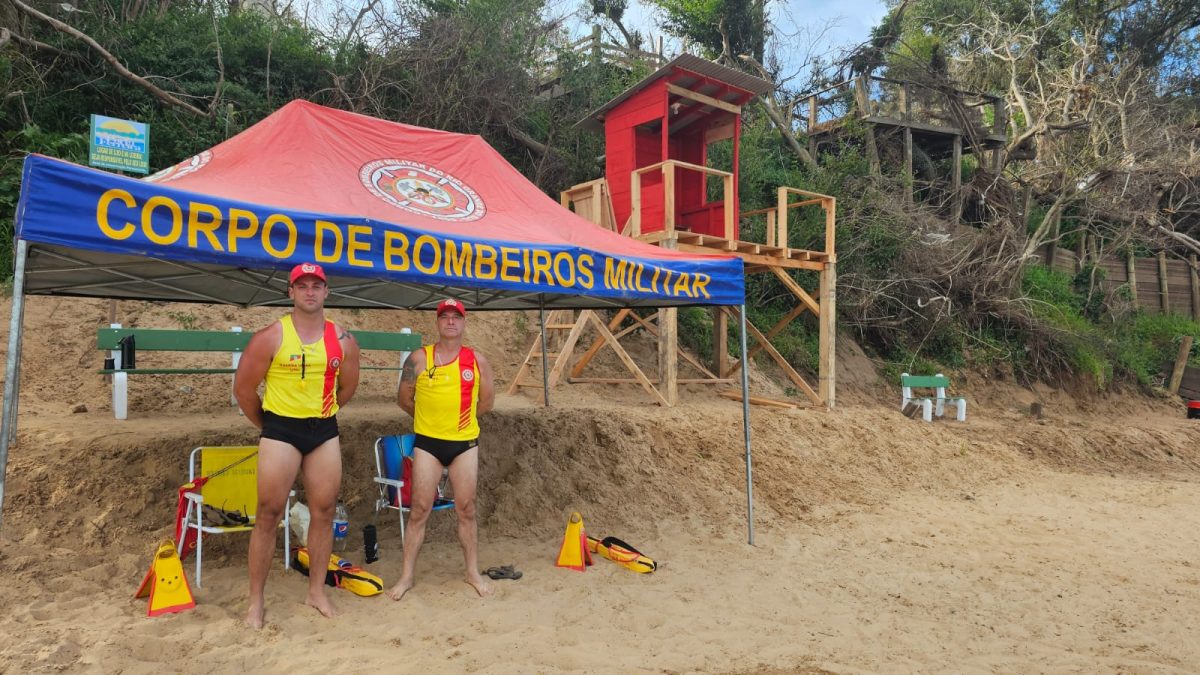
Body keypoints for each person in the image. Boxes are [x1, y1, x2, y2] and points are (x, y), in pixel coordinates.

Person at [234, 262, 360, 629]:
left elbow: (349, 387)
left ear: (326, 292)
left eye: (316, 286)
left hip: (323, 430)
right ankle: (255, 601)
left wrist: (322, 414)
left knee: (324, 511)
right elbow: (244, 391)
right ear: (290, 292)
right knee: (268, 514)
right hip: (280, 430)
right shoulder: (270, 337)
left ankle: (316, 591)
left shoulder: (344, 339)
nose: (309, 291)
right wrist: (270, 427)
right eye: (301, 285)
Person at [387, 297, 495, 601]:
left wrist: (458, 423)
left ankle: (472, 572)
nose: (450, 321)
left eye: (456, 317)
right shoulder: (418, 358)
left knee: (467, 509)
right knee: (419, 509)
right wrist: (430, 421)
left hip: (464, 445)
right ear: (437, 322)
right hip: (428, 444)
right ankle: (407, 576)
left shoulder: (477, 361)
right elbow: (404, 399)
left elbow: (486, 403)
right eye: (445, 317)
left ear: (463, 322)